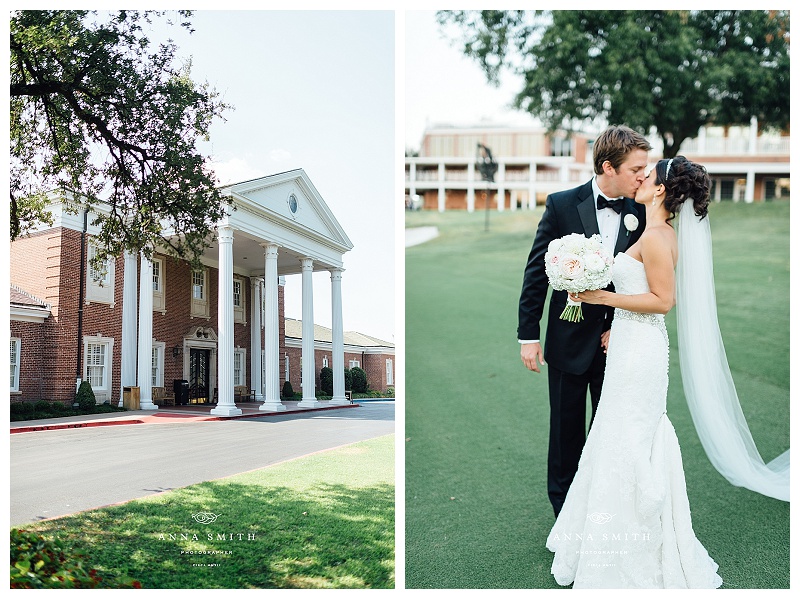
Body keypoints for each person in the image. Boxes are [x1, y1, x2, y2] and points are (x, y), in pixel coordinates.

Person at [546, 156, 723, 588]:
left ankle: (636, 544)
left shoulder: (659, 236)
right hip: (627, 343)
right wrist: (616, 327)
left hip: (641, 353)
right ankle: (604, 534)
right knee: (616, 434)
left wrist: (603, 302)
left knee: (630, 435)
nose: (640, 178)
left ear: (661, 190)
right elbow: (640, 291)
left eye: (648, 175)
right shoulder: (650, 230)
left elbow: (663, 300)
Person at [517, 125, 650, 517]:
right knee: (565, 438)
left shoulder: (642, 211)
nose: (643, 175)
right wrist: (528, 335)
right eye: (636, 169)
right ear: (609, 167)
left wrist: (619, 321)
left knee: (610, 435)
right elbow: (537, 272)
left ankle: (605, 514)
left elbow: (644, 280)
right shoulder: (561, 205)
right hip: (567, 344)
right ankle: (565, 521)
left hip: (619, 344)